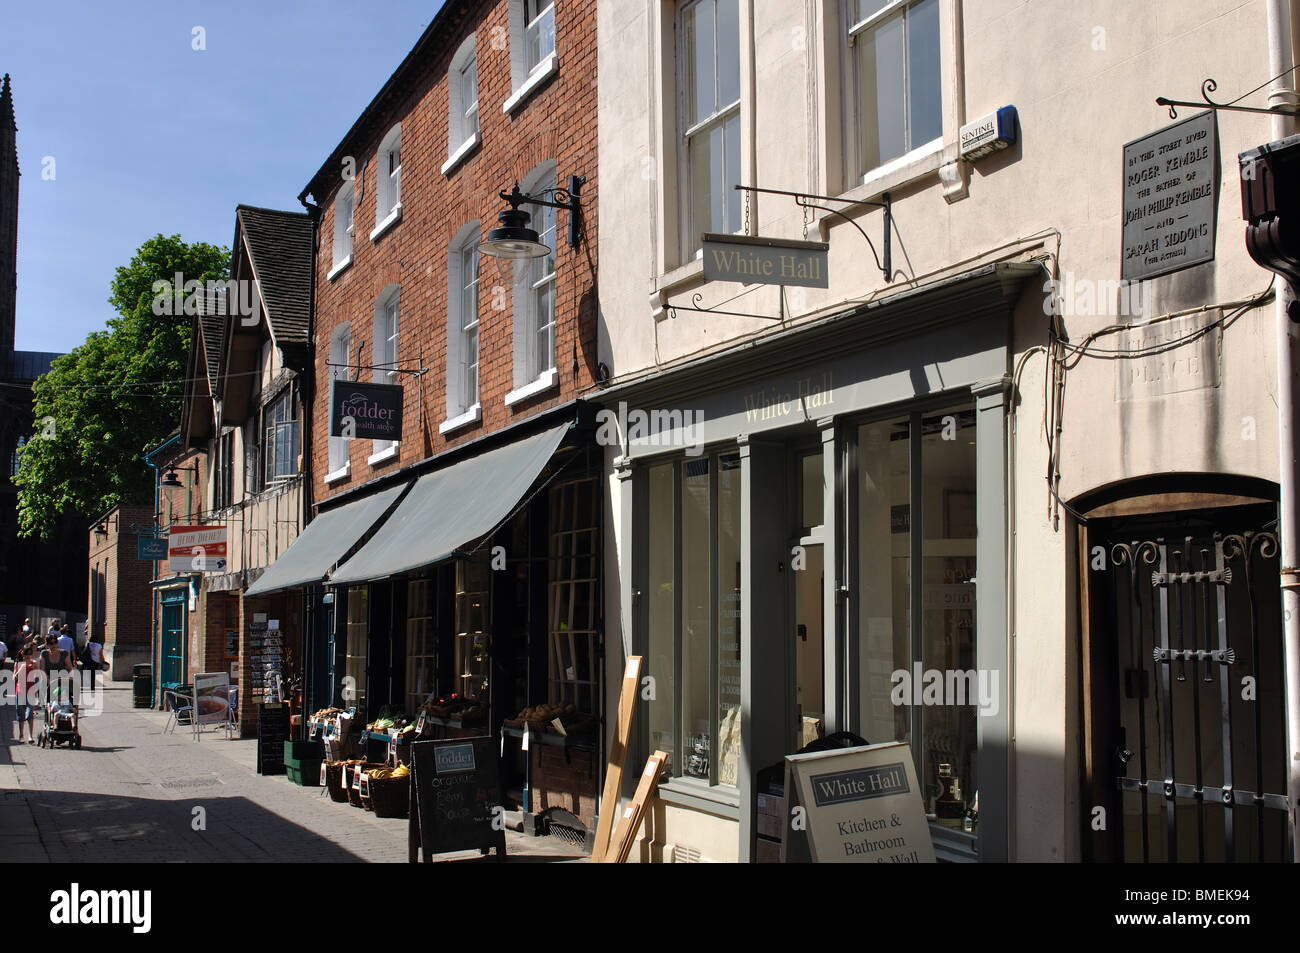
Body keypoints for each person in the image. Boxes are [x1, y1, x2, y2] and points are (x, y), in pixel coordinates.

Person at [40, 633, 74, 707]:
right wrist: (48, 681)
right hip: (49, 679)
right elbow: (42, 670)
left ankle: (68, 707)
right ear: (47, 644)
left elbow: (70, 668)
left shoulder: (64, 653)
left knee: (68, 691)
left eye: (55, 642)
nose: (53, 645)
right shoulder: (44, 654)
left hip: (62, 679)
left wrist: (71, 677)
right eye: (51, 643)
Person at [13, 645, 37, 743]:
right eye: (26, 656)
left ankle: (30, 736)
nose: (28, 657)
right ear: (23, 655)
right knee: (20, 714)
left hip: (30, 691)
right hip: (20, 691)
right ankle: (21, 735)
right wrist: (21, 668)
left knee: (30, 713)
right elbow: (15, 677)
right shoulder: (18, 664)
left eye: (30, 655)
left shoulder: (33, 663)